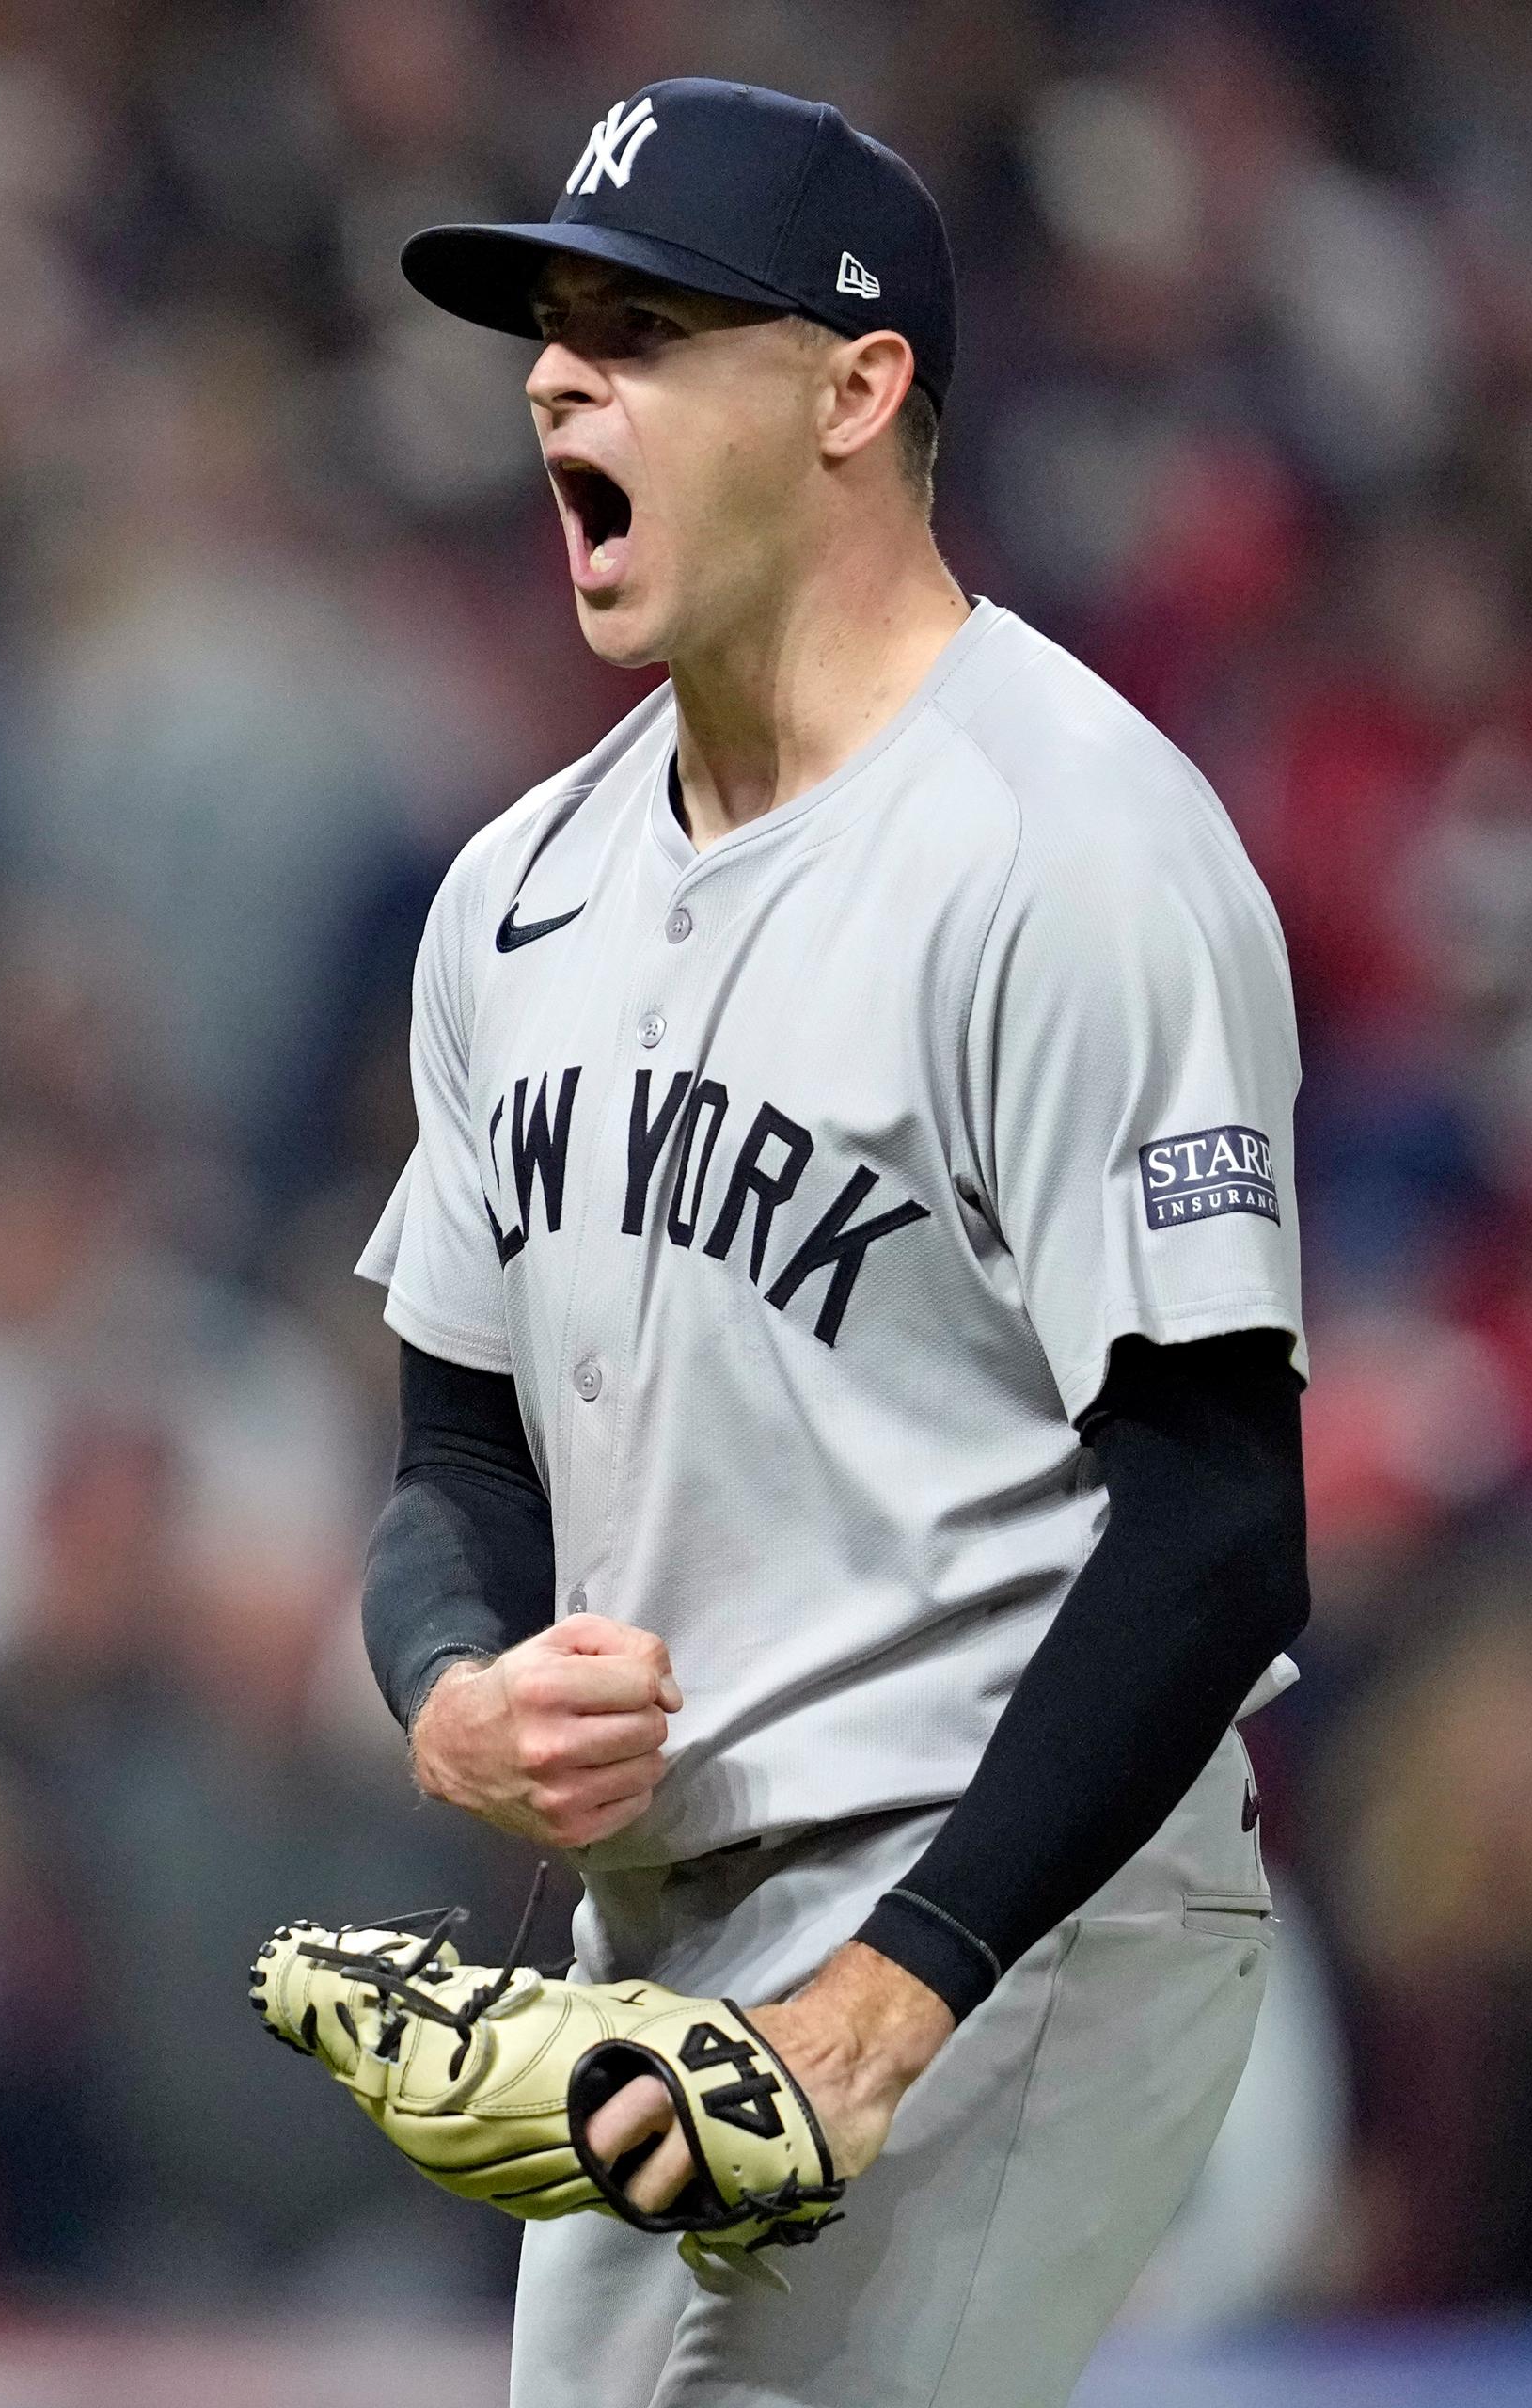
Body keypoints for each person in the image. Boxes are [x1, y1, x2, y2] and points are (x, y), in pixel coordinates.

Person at [339, 76, 1311, 2407]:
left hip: (1006, 1897)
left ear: (859, 387)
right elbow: (454, 1458)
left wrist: (896, 1992)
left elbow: (1218, 1523)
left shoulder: (1069, 849)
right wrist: (454, 1692)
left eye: (643, 326)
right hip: (665, 1927)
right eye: (549, 330)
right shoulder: (516, 895)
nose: (560, 376)